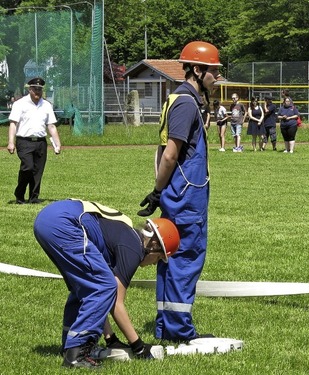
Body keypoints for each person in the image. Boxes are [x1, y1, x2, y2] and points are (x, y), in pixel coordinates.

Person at [138, 40, 221, 342]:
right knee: (185, 260)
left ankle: (167, 326)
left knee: (170, 258)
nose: (217, 77)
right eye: (213, 71)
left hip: (179, 192)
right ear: (198, 70)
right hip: (186, 196)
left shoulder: (182, 99)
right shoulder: (186, 103)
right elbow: (171, 153)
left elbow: (161, 150)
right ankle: (179, 331)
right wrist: (158, 191)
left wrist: (159, 191)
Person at [34, 199, 180, 368]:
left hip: (48, 219)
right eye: (160, 257)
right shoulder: (134, 248)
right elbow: (115, 301)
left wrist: (111, 339)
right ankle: (77, 354)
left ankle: (69, 345)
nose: (155, 263)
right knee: (104, 286)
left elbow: (101, 300)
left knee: (85, 289)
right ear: (154, 244)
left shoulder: (124, 236)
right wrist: (139, 347)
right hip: (64, 222)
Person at [6, 77, 61, 204]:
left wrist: (57, 143)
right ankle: (19, 194)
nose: (38, 92)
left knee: (38, 171)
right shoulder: (19, 104)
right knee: (28, 167)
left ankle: (33, 198)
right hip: (24, 141)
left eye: (40, 90)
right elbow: (13, 124)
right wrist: (10, 142)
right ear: (29, 90)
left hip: (41, 142)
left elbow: (51, 126)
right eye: (35, 90)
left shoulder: (46, 105)